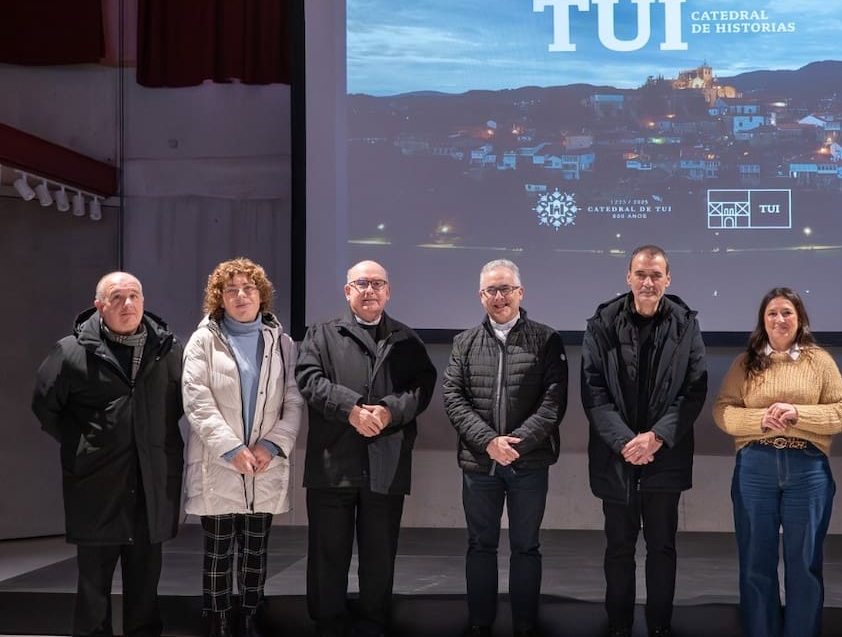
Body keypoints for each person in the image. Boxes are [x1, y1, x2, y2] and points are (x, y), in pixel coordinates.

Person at [32, 271, 185, 637]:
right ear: (99, 305)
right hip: (96, 487)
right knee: (93, 589)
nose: (127, 304)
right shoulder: (70, 351)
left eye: (134, 296)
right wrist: (86, 443)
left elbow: (177, 406)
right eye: (117, 298)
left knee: (146, 587)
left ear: (144, 301)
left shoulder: (169, 351)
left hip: (151, 485)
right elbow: (45, 406)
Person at [296, 260, 437, 637]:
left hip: (385, 462)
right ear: (348, 291)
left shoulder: (408, 340)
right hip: (333, 461)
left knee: (379, 554)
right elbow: (309, 380)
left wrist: (389, 412)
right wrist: (351, 410)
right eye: (362, 283)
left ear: (388, 291)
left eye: (378, 284)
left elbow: (421, 388)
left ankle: (374, 619)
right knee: (328, 553)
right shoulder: (321, 334)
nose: (370, 290)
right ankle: (328, 621)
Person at [580, 244, 708, 637]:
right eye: (641, 274)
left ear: (668, 279)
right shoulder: (602, 322)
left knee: (662, 548)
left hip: (664, 457)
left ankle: (659, 625)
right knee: (618, 549)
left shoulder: (686, 324)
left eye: (656, 275)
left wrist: (656, 438)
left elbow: (694, 390)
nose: (648, 282)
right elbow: (593, 389)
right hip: (615, 458)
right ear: (628, 277)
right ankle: (618, 624)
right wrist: (626, 442)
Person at [713, 287, 842, 637]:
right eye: (772, 313)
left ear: (800, 318)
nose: (780, 319)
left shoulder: (819, 361)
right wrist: (758, 420)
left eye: (787, 312)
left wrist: (797, 414)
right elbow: (723, 411)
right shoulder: (745, 362)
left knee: (803, 563)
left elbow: (841, 411)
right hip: (755, 467)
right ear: (763, 320)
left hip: (807, 469)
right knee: (755, 563)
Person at [443, 259, 568, 637]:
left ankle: (525, 623)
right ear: (481, 296)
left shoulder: (547, 339)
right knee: (480, 545)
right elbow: (453, 397)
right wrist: (488, 442)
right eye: (491, 291)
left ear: (520, 293)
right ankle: (481, 622)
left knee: (526, 546)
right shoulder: (464, 342)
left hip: (528, 462)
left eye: (506, 289)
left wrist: (516, 444)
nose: (499, 297)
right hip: (480, 465)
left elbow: (554, 401)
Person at [181, 258, 304, 637]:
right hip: (219, 461)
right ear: (219, 297)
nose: (240, 296)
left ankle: (250, 616)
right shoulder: (203, 340)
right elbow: (197, 401)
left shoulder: (282, 343)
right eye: (230, 289)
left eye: (248, 288)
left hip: (264, 462)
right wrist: (232, 448)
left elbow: (293, 401)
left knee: (255, 551)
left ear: (261, 295)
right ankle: (218, 620)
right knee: (218, 552)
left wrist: (272, 444)